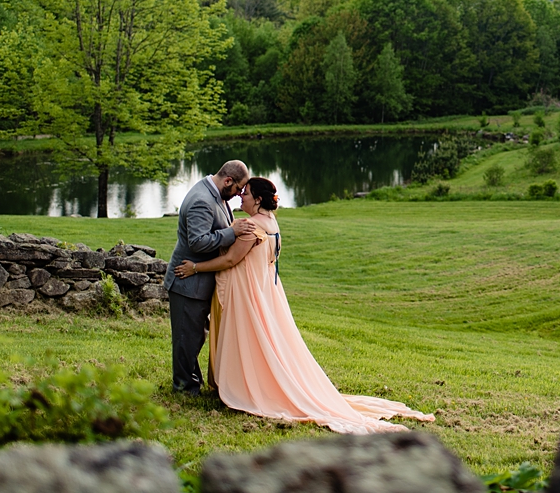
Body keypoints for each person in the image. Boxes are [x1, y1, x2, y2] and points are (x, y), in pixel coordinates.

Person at [174, 177, 433, 433]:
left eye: (247, 193)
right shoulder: (271, 223)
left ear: (259, 199)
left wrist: (195, 267)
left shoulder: (251, 228)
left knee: (251, 339)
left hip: (247, 293)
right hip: (264, 290)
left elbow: (230, 260)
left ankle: (247, 385)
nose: (241, 195)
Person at [164, 160, 254, 394]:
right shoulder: (201, 201)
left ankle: (192, 382)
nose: (238, 195)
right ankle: (184, 389)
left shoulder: (217, 195)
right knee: (186, 339)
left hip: (200, 280)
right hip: (187, 281)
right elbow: (198, 242)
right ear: (227, 181)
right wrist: (231, 232)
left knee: (195, 338)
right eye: (237, 189)